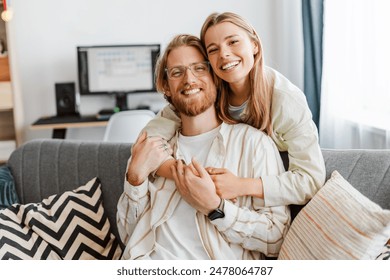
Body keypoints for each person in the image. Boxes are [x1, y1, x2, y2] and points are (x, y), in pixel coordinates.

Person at [116, 34, 290, 260]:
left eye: (199, 68)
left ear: (216, 77)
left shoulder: (254, 144)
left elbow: (276, 239)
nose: (189, 80)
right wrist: (135, 178)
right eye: (177, 72)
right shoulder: (153, 149)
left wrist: (216, 208)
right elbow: (128, 234)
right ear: (166, 86)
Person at [144, 12, 326, 207]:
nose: (224, 54)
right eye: (213, 50)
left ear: (254, 45)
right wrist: (192, 177)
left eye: (233, 42)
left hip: (261, 192)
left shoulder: (286, 101)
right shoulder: (208, 92)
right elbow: (147, 143)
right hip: (218, 191)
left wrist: (241, 185)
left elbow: (311, 180)